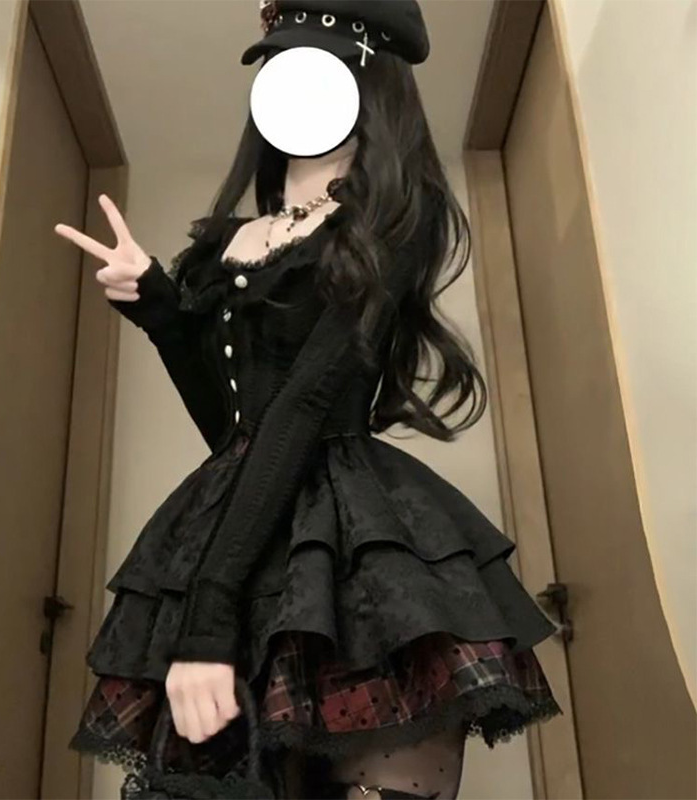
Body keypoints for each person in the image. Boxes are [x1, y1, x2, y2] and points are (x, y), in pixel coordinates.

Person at [58, 2, 564, 797]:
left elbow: (304, 407)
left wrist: (208, 622)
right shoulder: (229, 243)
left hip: (351, 540)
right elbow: (234, 432)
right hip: (237, 524)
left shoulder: (393, 218)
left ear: (369, 79)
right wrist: (161, 311)